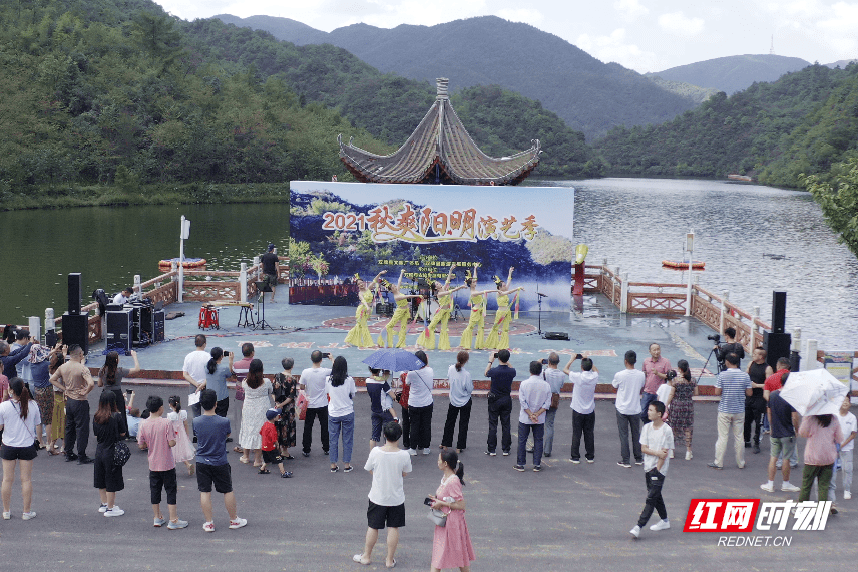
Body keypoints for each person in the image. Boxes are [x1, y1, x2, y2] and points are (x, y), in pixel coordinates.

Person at [354, 421, 412, 568]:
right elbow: (405, 473)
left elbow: (369, 468)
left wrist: (379, 475)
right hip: (396, 498)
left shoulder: (376, 452)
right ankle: (389, 560)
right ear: (399, 436)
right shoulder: (404, 455)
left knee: (373, 526)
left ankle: (366, 556)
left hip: (377, 497)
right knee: (393, 527)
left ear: (384, 435)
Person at [193, 389, 247, 532]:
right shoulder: (223, 421)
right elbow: (227, 434)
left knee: (204, 491)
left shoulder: (196, 421)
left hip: (202, 461)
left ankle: (209, 522)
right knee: (227, 490)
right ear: (216, 404)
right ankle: (234, 519)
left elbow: (196, 435)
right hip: (220, 461)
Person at [138, 395, 188, 529]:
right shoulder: (166, 423)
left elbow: (141, 445)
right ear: (160, 408)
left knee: (155, 490)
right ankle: (173, 519)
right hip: (167, 464)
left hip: (153, 464)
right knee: (170, 490)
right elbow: (171, 442)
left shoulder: (144, 423)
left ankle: (157, 517)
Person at [629, 401, 674, 538]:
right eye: (648, 410)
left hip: (659, 470)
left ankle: (638, 526)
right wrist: (656, 453)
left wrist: (657, 469)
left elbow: (664, 453)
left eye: (651, 410)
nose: (648, 412)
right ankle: (665, 520)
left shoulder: (667, 430)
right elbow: (643, 448)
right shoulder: (647, 428)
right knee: (656, 496)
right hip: (648, 467)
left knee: (651, 498)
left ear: (659, 414)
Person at [0, 378, 42, 520]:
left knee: (7, 479)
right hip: (26, 445)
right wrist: (40, 441)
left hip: (8, 445)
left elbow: (0, 427)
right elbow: (38, 425)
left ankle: (6, 511)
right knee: (26, 480)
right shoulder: (33, 405)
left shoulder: (3, 406)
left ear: (11, 390)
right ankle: (26, 512)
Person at [428, 449, 476, 572]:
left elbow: (461, 504)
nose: (437, 462)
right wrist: (436, 500)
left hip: (451, 522)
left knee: (454, 554)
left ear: (445, 464)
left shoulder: (453, 480)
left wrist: (441, 503)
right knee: (452, 554)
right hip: (445, 521)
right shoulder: (446, 478)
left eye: (439, 459)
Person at [49, 344, 95, 464]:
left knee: (69, 427)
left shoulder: (63, 367)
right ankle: (81, 455)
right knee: (82, 429)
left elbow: (52, 379)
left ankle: (68, 452)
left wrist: (64, 389)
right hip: (80, 401)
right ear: (80, 354)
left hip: (69, 401)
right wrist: (85, 391)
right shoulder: (82, 368)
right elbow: (91, 383)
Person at [708, 353, 752, 470]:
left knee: (723, 437)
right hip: (739, 410)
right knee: (739, 437)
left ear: (727, 362)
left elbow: (717, 392)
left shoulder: (722, 375)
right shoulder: (745, 376)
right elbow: (749, 393)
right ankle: (740, 462)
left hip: (725, 409)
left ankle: (719, 462)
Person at [798, 413, 843, 514]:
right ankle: (822, 510)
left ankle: (801, 508)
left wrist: (806, 418)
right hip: (828, 457)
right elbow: (839, 438)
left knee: (806, 485)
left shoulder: (811, 418)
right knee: (824, 486)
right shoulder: (834, 418)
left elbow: (802, 433)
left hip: (812, 458)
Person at [760, 384, 801, 493]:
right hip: (787, 432)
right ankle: (786, 483)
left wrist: (771, 426)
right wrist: (797, 429)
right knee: (786, 459)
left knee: (773, 457)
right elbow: (795, 416)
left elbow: (769, 411)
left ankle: (770, 483)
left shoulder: (772, 395)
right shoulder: (791, 397)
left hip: (775, 432)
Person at [417, 265, 467, 350]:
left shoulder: (443, 288)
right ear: (436, 288)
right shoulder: (439, 294)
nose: (439, 283)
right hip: (441, 311)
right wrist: (461, 287)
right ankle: (421, 342)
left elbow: (448, 280)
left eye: (438, 282)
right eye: (437, 284)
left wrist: (450, 270)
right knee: (431, 326)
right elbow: (452, 291)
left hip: (446, 312)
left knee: (444, 328)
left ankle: (444, 345)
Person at [514, 361, 552, 472]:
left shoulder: (524, 384)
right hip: (539, 418)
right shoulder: (546, 385)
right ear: (541, 371)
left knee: (522, 440)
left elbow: (523, 402)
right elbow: (547, 403)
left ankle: (520, 464)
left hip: (525, 417)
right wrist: (537, 414)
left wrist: (530, 414)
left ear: (530, 370)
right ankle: (537, 464)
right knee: (538, 440)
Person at [92, 391, 125, 517]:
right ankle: (110, 509)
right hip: (111, 450)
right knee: (111, 480)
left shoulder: (96, 416)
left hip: (99, 450)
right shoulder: (116, 416)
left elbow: (95, 434)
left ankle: (104, 504)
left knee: (101, 478)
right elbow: (123, 433)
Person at [613, 350, 646, 468]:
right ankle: (638, 458)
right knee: (636, 434)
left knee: (624, 435)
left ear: (625, 361)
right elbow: (642, 386)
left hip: (622, 408)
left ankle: (626, 460)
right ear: (635, 361)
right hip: (635, 408)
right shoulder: (641, 375)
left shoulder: (619, 375)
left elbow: (614, 385)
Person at [564, 354, 599, 464]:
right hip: (589, 410)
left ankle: (575, 456)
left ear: (581, 367)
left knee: (576, 433)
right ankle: (590, 456)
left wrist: (572, 359)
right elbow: (596, 370)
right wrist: (588, 360)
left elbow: (565, 369)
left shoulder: (578, 376)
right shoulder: (594, 376)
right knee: (589, 433)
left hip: (578, 409)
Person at [764, 357, 798, 469]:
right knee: (790, 437)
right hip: (790, 410)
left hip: (775, 410)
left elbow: (766, 395)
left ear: (778, 366)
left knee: (775, 440)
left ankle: (778, 462)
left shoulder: (770, 379)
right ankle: (792, 461)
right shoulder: (795, 378)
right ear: (788, 366)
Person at [238, 359, 273, 467]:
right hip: (262, 407)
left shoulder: (245, 382)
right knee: (260, 431)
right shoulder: (266, 382)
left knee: (248, 429)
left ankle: (246, 456)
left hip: (248, 408)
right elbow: (270, 391)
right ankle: (258, 460)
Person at [98, 349, 140, 437]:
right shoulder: (120, 371)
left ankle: (103, 431)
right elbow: (137, 369)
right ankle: (122, 433)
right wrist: (134, 356)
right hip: (117, 394)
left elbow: (99, 384)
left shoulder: (102, 370)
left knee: (104, 411)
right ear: (116, 360)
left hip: (105, 393)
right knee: (120, 413)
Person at [28, 342, 62, 453]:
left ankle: (40, 442)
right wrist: (57, 351)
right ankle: (49, 442)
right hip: (47, 391)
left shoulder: (32, 364)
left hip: (37, 391)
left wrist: (53, 350)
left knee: (39, 418)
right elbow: (51, 360)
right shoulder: (45, 365)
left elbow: (43, 356)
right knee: (48, 419)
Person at [298, 350, 333, 457]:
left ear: (311, 359)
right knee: (325, 427)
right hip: (323, 403)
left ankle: (306, 449)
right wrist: (332, 359)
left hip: (310, 404)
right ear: (322, 360)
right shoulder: (326, 371)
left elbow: (302, 387)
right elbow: (338, 369)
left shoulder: (305, 372)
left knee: (308, 427)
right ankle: (326, 448)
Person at [326, 356, 357, 472]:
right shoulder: (349, 380)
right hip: (347, 412)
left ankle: (333, 465)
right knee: (347, 439)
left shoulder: (328, 379)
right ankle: (347, 464)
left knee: (333, 439)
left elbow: (327, 392)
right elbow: (353, 394)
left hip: (333, 412)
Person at [377, 270, 421, 348]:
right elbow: (406, 297)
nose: (395, 287)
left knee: (403, 327)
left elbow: (399, 281)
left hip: (405, 310)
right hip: (399, 311)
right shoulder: (396, 296)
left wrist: (401, 273)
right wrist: (418, 296)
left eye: (395, 286)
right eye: (393, 287)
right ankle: (382, 340)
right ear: (391, 290)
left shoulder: (398, 291)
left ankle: (401, 343)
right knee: (390, 325)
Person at [485, 267, 524, 350]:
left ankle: (504, 345)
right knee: (495, 327)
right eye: (504, 285)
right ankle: (491, 343)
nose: (505, 286)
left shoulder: (504, 291)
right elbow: (509, 292)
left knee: (505, 329)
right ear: (499, 287)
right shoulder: (499, 292)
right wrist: (517, 288)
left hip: (507, 312)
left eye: (505, 285)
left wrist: (510, 273)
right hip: (500, 312)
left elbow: (508, 283)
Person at [484, 349, 515, 457]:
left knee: (493, 424)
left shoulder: (494, 370)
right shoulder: (511, 371)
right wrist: (506, 360)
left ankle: (491, 449)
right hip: (506, 399)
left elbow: (485, 373)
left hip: (494, 399)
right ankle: (506, 449)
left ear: (498, 358)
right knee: (506, 424)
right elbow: (511, 368)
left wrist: (490, 361)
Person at [458, 265, 496, 350]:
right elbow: (484, 292)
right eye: (474, 282)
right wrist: (496, 290)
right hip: (476, 310)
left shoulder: (474, 289)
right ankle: (465, 343)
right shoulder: (473, 292)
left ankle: (479, 345)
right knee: (470, 327)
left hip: (480, 310)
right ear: (471, 285)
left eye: (475, 282)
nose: (475, 282)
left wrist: (475, 268)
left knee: (481, 327)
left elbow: (475, 278)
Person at [344, 271, 385, 348]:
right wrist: (367, 307)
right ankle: (369, 343)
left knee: (358, 326)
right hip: (362, 310)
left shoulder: (368, 288)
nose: (361, 285)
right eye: (359, 284)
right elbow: (363, 300)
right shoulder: (360, 293)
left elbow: (375, 281)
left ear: (363, 282)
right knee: (364, 326)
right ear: (357, 286)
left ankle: (347, 340)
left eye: (361, 283)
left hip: (367, 311)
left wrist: (379, 274)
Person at [442, 351, 473, 453]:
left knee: (449, 422)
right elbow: (469, 389)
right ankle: (459, 447)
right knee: (463, 423)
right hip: (465, 400)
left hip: (454, 400)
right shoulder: (466, 374)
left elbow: (449, 378)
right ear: (467, 361)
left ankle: (445, 444)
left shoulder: (451, 369)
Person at [667, 360, 697, 460]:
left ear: (679, 369)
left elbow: (671, 394)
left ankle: (671, 450)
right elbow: (696, 393)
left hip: (676, 405)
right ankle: (688, 451)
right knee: (688, 428)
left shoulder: (676, 381)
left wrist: (666, 404)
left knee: (674, 427)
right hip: (688, 405)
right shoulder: (693, 380)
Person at [405, 351, 434, 456]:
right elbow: (427, 368)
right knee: (426, 425)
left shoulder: (411, 373)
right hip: (427, 403)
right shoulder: (430, 371)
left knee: (414, 425)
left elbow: (407, 383)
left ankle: (413, 448)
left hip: (414, 403)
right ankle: (426, 447)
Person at [745, 347, 772, 454]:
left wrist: (757, 385)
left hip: (760, 398)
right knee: (746, 420)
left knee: (758, 422)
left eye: (755, 354)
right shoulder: (751, 363)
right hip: (749, 396)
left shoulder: (767, 368)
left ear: (761, 356)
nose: (753, 355)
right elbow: (746, 375)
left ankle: (757, 443)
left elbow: (769, 384)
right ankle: (746, 440)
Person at [231, 342, 256, 453]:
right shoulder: (256, 364)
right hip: (254, 396)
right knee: (254, 420)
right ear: (252, 352)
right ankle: (255, 444)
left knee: (239, 420)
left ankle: (240, 444)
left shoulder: (236, 365)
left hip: (240, 396)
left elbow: (232, 373)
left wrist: (230, 361)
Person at [540, 353, 565, 458]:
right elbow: (562, 386)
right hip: (554, 400)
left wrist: (539, 362)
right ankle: (547, 450)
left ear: (548, 362)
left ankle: (536, 446)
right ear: (558, 362)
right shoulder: (562, 374)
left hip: (543, 399)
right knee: (550, 425)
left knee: (539, 424)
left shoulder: (544, 372)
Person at [367, 368, 398, 450]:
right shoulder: (382, 382)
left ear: (370, 370)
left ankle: (372, 456)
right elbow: (393, 396)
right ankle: (387, 454)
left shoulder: (367, 381)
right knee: (387, 435)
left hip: (374, 410)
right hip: (385, 411)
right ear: (379, 370)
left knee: (374, 436)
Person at [272, 358, 298, 459]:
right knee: (287, 428)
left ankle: (278, 449)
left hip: (278, 406)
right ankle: (285, 451)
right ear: (292, 366)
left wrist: (277, 403)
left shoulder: (277, 376)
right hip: (288, 408)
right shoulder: (293, 379)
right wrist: (283, 404)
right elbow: (291, 396)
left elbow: (273, 392)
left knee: (278, 426)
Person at [201, 347, 235, 419]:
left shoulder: (207, 366)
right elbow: (230, 373)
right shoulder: (224, 368)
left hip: (210, 397)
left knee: (210, 418)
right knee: (221, 419)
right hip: (222, 398)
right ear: (221, 356)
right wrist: (231, 361)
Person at [641, 343, 671, 423]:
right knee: (643, 413)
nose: (656, 352)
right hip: (647, 391)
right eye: (654, 350)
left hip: (659, 394)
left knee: (658, 414)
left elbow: (668, 377)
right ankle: (647, 427)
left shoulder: (665, 362)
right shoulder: (646, 361)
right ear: (650, 351)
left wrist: (658, 373)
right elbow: (644, 373)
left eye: (658, 349)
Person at [834, 394, 856, 500]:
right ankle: (830, 488)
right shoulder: (834, 416)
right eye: (843, 400)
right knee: (831, 469)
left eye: (847, 401)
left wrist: (842, 444)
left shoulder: (852, 417)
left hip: (847, 447)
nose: (845, 402)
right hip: (833, 447)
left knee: (847, 469)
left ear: (850, 404)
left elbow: (853, 434)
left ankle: (847, 490)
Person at [182, 334, 209, 422]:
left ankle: (196, 434)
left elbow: (185, 374)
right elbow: (211, 374)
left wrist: (196, 384)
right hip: (206, 386)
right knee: (208, 413)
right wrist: (202, 384)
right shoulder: (208, 356)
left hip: (193, 388)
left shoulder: (188, 356)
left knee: (195, 415)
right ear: (204, 344)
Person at [167, 396, 195, 476]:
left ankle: (171, 469)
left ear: (170, 405)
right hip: (182, 434)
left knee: (172, 451)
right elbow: (186, 424)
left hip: (174, 435)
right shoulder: (183, 413)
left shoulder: (170, 415)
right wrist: (187, 435)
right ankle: (188, 465)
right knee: (181, 451)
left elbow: (169, 427)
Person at [259, 409, 292, 478]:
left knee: (267, 459)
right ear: (274, 418)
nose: (279, 416)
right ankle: (283, 472)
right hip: (271, 447)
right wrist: (277, 445)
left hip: (264, 446)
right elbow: (274, 439)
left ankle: (262, 469)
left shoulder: (265, 424)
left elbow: (261, 432)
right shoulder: (272, 427)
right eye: (277, 416)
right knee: (279, 459)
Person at [49, 345, 66, 453]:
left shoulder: (50, 369)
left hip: (54, 396)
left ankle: (51, 444)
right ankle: (64, 445)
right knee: (64, 422)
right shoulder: (61, 372)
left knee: (55, 421)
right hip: (63, 397)